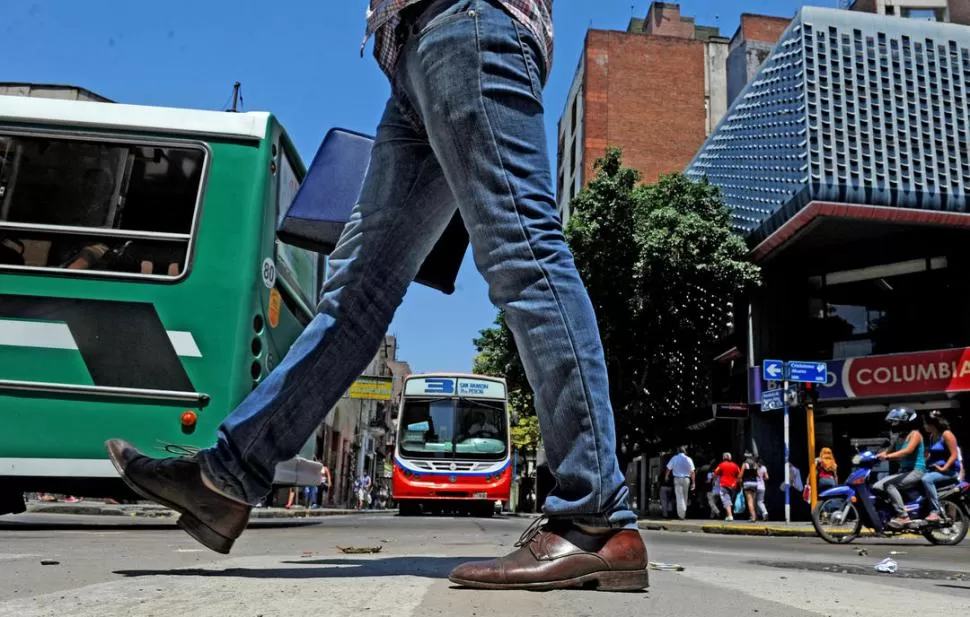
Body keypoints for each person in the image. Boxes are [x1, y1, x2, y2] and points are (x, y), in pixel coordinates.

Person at [104, 0, 648, 592]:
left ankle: (596, 518)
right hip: (416, 57)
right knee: (354, 294)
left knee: (525, 256)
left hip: (472, 25)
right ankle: (227, 476)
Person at [873, 407, 926, 528]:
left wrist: (887, 457)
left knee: (889, 485)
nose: (893, 424)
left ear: (906, 422)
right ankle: (891, 512)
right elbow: (887, 451)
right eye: (892, 421)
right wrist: (874, 456)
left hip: (916, 471)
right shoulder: (898, 437)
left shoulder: (915, 434)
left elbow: (907, 451)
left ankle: (903, 516)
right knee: (877, 486)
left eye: (896, 421)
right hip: (903, 471)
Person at [920, 410, 962, 523]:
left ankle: (935, 511)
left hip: (949, 471)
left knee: (926, 480)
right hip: (934, 470)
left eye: (925, 423)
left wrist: (944, 468)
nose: (924, 426)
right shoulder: (933, 436)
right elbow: (930, 455)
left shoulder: (947, 434)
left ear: (932, 424)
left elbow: (954, 455)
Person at [664, 446, 695, 520]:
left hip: (677, 479)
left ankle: (682, 513)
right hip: (687, 479)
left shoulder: (674, 458)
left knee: (679, 497)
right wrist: (693, 482)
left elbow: (668, 468)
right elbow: (692, 471)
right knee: (685, 496)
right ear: (685, 451)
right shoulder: (688, 459)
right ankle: (683, 515)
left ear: (678, 451)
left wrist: (666, 476)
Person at [713, 453, 741, 521]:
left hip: (724, 484)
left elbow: (715, 473)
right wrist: (739, 485)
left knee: (726, 500)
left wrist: (713, 481)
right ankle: (728, 515)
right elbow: (739, 475)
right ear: (730, 458)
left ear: (723, 458)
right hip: (733, 485)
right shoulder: (735, 465)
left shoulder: (721, 465)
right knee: (730, 500)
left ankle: (730, 515)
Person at [740, 453, 760, 522]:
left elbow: (741, 474)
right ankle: (753, 516)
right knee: (753, 500)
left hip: (747, 483)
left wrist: (739, 480)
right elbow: (758, 474)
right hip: (754, 483)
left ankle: (753, 516)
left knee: (749, 501)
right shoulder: (755, 464)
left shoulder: (744, 464)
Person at [755, 457, 769, 521]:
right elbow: (767, 477)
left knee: (756, 502)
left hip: (755, 486)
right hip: (762, 487)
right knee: (760, 501)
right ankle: (759, 515)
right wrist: (762, 479)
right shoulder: (764, 468)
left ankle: (764, 513)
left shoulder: (754, 467)